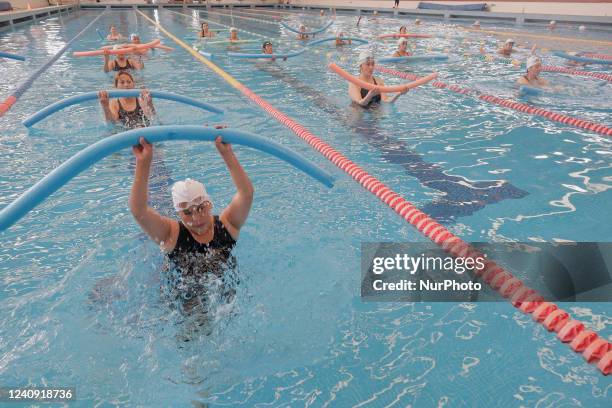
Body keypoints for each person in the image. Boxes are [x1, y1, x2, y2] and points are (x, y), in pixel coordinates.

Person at [128, 136, 254, 312]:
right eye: (187, 212)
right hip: (184, 299)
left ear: (209, 203)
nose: (196, 217)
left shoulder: (227, 225)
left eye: (201, 208)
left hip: (224, 293)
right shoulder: (171, 234)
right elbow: (139, 210)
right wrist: (143, 163)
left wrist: (227, 153)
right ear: (178, 213)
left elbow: (246, 193)